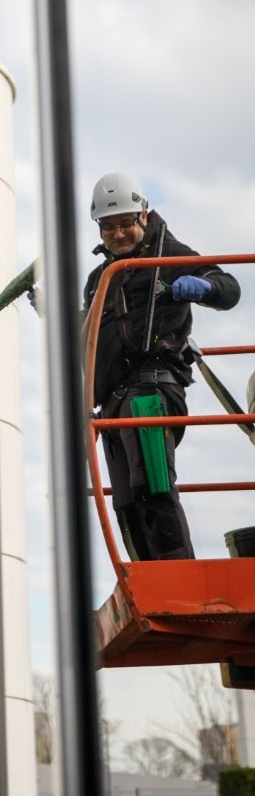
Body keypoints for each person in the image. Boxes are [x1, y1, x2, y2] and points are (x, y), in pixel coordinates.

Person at [83, 172, 240, 561]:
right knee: (126, 503)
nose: (118, 234)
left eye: (125, 223)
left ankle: (179, 573)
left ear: (143, 215)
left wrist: (204, 286)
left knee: (152, 487)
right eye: (108, 227)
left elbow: (228, 287)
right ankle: (146, 576)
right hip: (111, 402)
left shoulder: (169, 256)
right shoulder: (100, 278)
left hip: (151, 390)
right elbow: (89, 334)